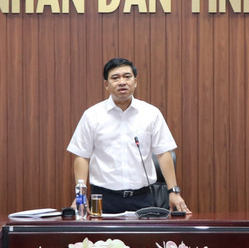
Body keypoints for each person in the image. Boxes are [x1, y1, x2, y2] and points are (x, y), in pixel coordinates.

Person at [67, 58, 190, 214]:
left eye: (127, 76)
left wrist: (173, 191)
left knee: (144, 239)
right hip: (103, 198)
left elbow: (163, 152)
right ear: (106, 84)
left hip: (143, 197)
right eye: (115, 78)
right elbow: (81, 156)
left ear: (135, 81)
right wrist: (80, 197)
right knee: (101, 239)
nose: (122, 82)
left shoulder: (151, 114)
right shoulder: (92, 116)